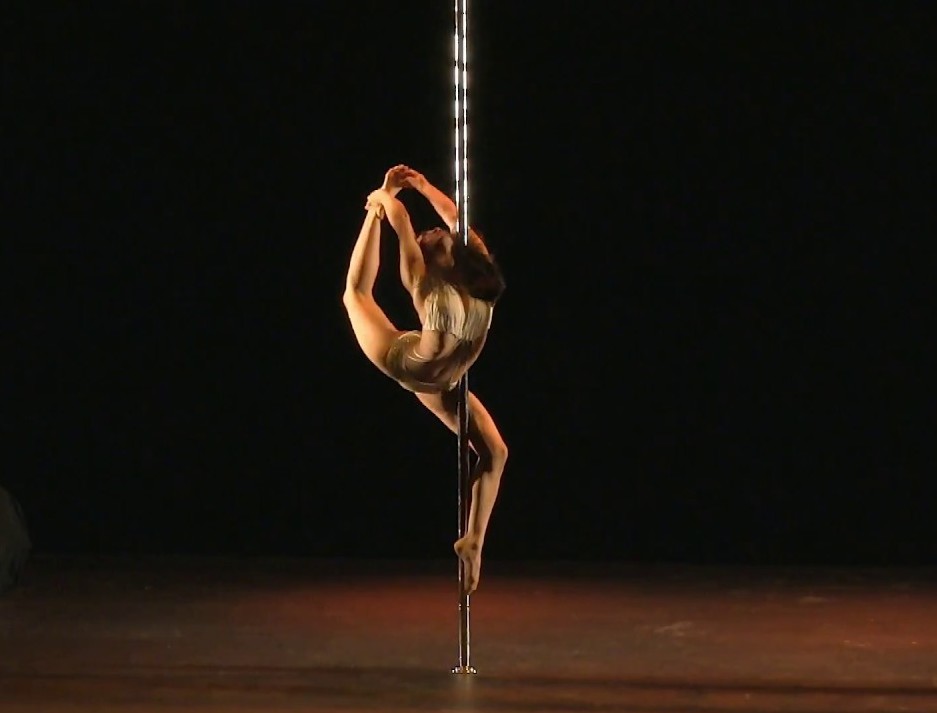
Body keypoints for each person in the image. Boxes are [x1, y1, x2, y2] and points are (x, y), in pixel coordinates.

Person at [342, 164, 508, 593]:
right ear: (441, 257)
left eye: (435, 235)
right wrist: (387, 201)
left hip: (425, 371)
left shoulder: (439, 282)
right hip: (427, 369)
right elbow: (412, 220)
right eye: (429, 238)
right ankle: (474, 540)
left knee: (496, 452)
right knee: (355, 295)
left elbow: (427, 217)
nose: (432, 232)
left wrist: (393, 194)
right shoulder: (468, 278)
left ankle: (474, 542)